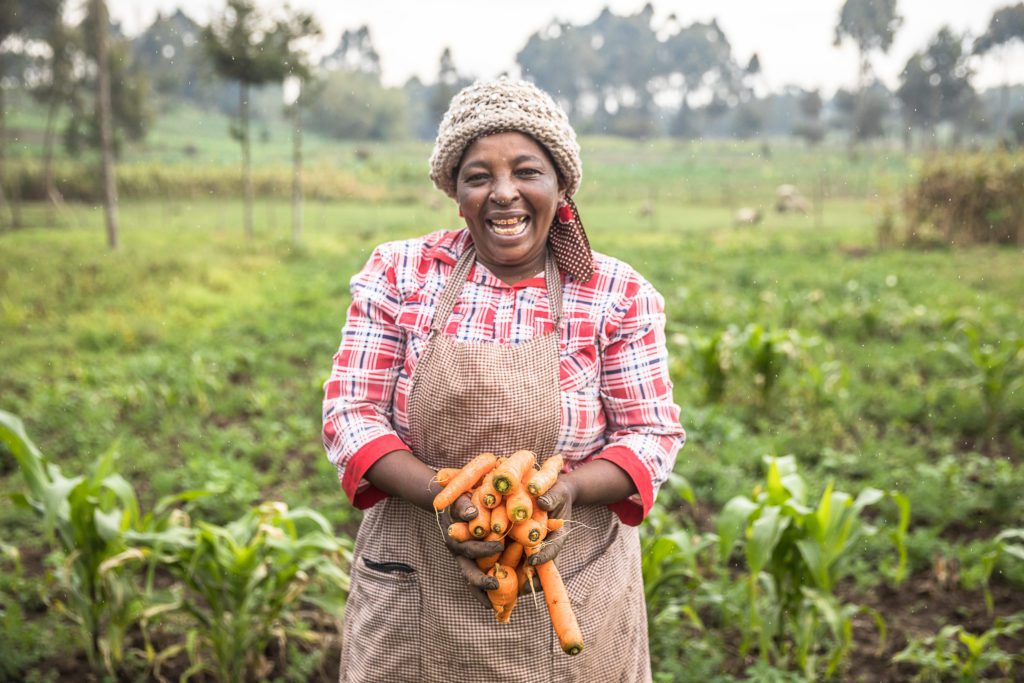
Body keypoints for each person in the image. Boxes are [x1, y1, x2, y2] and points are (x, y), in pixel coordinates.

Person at [322, 77, 685, 683]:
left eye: (527, 172)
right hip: (417, 590)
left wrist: (560, 493)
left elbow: (651, 434)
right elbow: (350, 414)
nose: (504, 194)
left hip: (574, 589)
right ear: (455, 192)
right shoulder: (401, 273)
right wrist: (446, 498)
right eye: (479, 176)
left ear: (562, 185)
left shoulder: (616, 294)